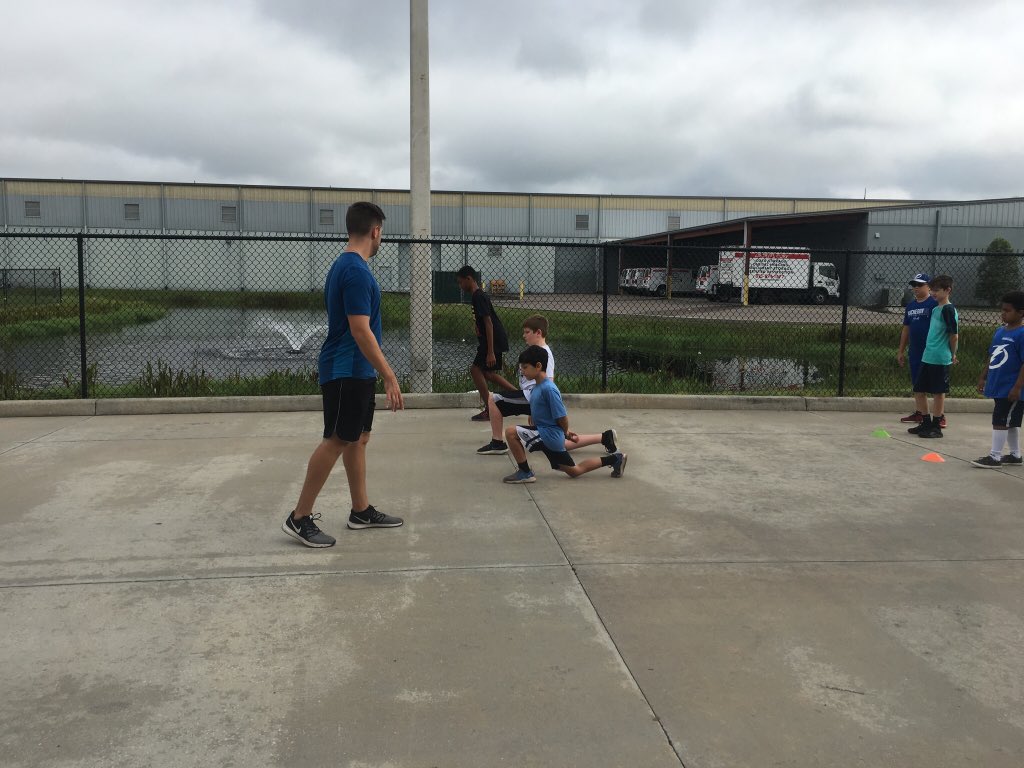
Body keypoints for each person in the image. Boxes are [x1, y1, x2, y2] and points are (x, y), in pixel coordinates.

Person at [282, 201, 404, 548]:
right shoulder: (355, 272)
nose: (382, 238)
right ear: (375, 231)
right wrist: (389, 375)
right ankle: (299, 517)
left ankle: (360, 511)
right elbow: (360, 330)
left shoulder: (348, 266)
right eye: (382, 233)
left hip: (357, 369)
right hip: (346, 369)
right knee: (336, 439)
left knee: (358, 437)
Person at [476, 314, 618, 456]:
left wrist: (538, 407)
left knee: (493, 399)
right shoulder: (538, 351)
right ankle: (604, 437)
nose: (524, 336)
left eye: (527, 332)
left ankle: (497, 443)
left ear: (538, 332)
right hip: (533, 398)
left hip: (533, 397)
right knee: (555, 441)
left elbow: (549, 382)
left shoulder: (544, 354)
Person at [502, 345, 627, 483]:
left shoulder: (548, 389)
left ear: (538, 366)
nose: (522, 371)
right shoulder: (538, 386)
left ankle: (525, 472)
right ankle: (615, 459)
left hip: (547, 435)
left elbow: (561, 416)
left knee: (511, 432)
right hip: (548, 435)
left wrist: (565, 431)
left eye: (525, 367)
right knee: (575, 471)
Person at [456, 265, 516, 421]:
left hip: (492, 341)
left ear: (469, 279)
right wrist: (477, 326)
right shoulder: (477, 296)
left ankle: (490, 409)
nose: (460, 286)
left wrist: (490, 351)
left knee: (475, 370)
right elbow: (483, 321)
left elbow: (489, 323)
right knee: (488, 373)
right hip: (491, 340)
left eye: (461, 282)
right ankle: (523, 397)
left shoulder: (478, 296)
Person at [972, 290, 1024, 468]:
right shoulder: (999, 331)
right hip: (999, 384)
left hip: (1012, 387)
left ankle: (995, 457)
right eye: (1002, 310)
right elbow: (992, 356)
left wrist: (1017, 387)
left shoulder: (1021, 334)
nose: (1003, 313)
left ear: (1021, 312)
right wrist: (983, 377)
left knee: (1000, 419)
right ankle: (1016, 455)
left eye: (1007, 310)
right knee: (1009, 421)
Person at [907, 274, 958, 439]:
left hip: (940, 357)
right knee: (919, 389)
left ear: (948, 290)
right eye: (932, 290)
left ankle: (936, 426)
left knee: (938, 392)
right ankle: (926, 422)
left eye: (937, 290)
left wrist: (953, 353)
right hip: (928, 355)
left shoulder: (948, 309)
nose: (933, 293)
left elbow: (953, 335)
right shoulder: (936, 309)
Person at [897, 272, 943, 427]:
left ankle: (940, 416)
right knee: (917, 384)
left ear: (929, 287)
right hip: (915, 351)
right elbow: (906, 329)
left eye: (920, 284)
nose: (916, 288)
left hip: (932, 351)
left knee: (936, 386)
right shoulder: (910, 306)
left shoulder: (934, 304)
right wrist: (901, 350)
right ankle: (920, 413)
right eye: (914, 285)